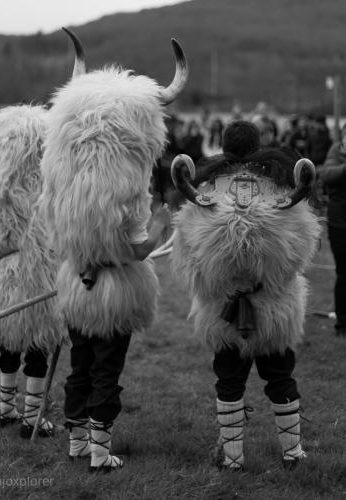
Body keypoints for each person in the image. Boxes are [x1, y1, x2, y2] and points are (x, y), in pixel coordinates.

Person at [40, 29, 187, 471]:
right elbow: (140, 250)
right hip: (116, 286)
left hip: (75, 282)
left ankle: (76, 442)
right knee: (106, 367)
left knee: (80, 362)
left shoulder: (63, 193)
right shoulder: (122, 198)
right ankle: (101, 450)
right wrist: (164, 219)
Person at [171, 121, 320, 471]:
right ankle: (293, 453)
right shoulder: (281, 189)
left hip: (223, 312)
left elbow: (188, 262)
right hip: (274, 310)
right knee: (280, 376)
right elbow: (300, 254)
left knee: (229, 379)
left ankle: (233, 457)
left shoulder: (204, 193)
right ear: (258, 145)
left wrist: (219, 286)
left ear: (223, 145)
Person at [0, 105, 64, 438]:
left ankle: (6, 410)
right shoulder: (38, 190)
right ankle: (31, 417)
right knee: (38, 342)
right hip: (32, 270)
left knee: (8, 342)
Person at [318, 123, 346, 335]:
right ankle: (342, 323)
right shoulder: (336, 151)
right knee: (343, 273)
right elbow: (327, 174)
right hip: (340, 223)